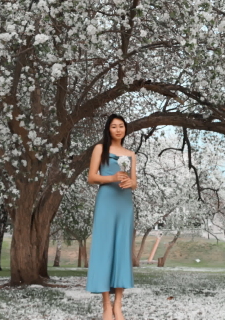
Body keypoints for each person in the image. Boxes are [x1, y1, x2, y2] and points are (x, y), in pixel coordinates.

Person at [86, 114, 138, 320]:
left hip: (124, 203)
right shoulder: (100, 149)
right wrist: (112, 178)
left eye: (121, 126)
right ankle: (106, 305)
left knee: (122, 250)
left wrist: (130, 183)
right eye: (114, 126)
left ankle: (119, 305)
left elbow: (134, 182)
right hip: (106, 201)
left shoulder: (131, 154)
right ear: (108, 129)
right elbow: (91, 177)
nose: (118, 129)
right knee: (104, 249)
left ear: (125, 129)